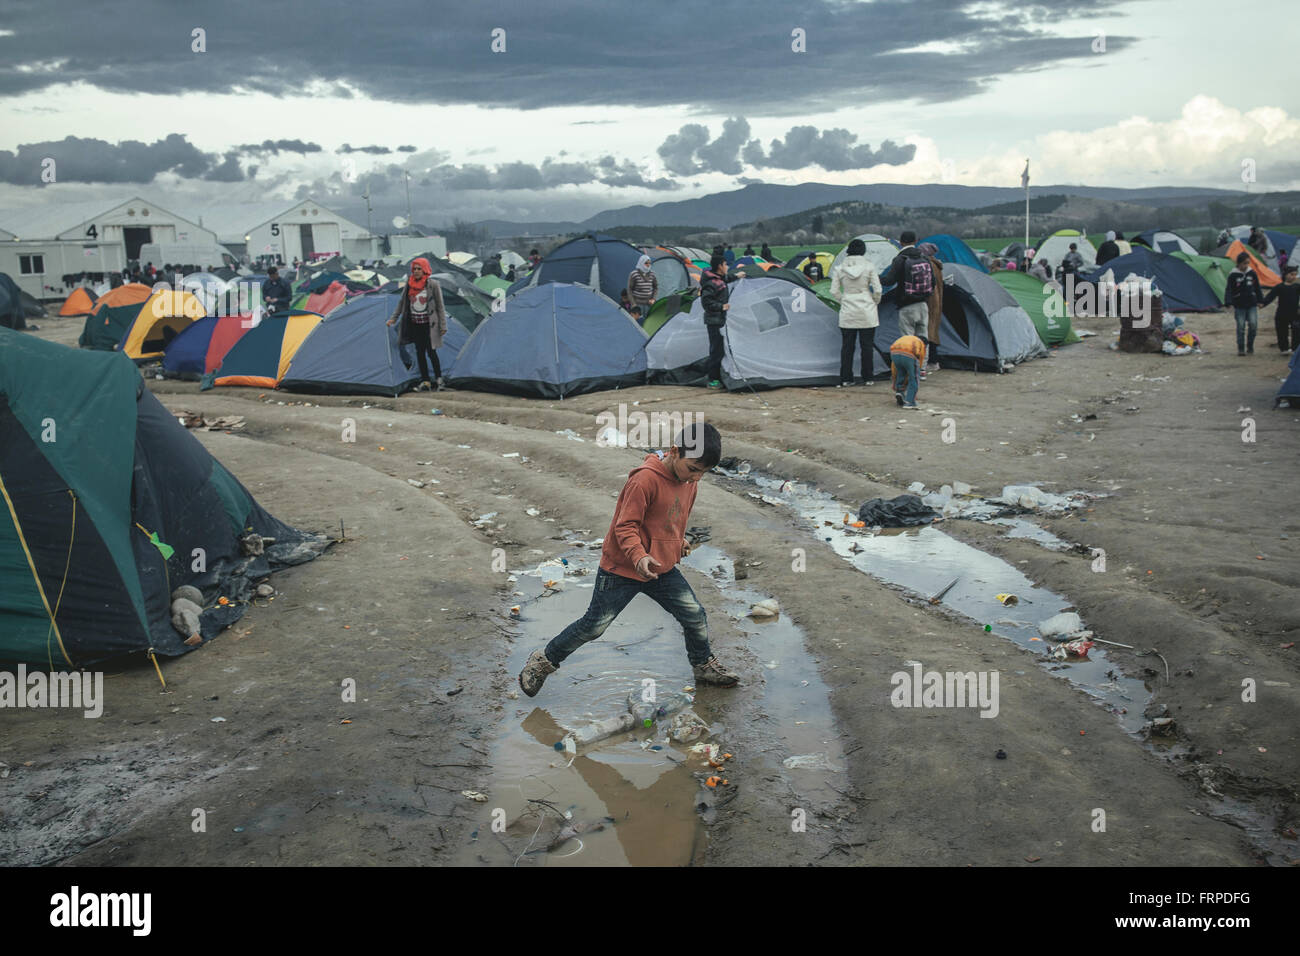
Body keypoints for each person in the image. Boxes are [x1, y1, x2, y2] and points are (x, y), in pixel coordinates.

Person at [517, 422, 739, 697]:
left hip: (660, 569)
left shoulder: (689, 483)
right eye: (693, 469)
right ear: (674, 451)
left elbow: (673, 517)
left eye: (704, 473)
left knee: (694, 615)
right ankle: (543, 661)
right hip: (621, 569)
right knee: (593, 626)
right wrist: (638, 556)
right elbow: (625, 526)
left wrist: (676, 541)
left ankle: (703, 665)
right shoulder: (644, 480)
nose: (696, 478)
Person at [387, 258, 448, 389]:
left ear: (425, 269)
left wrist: (443, 325)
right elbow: (401, 303)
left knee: (431, 352)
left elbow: (440, 306)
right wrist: (393, 318)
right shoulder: (409, 284)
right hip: (415, 324)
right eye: (414, 269)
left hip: (429, 325)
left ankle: (439, 379)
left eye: (419, 269)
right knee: (419, 352)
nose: (416, 271)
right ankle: (425, 380)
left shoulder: (433, 285)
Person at [829, 238, 882, 387]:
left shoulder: (839, 268)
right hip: (866, 308)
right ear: (863, 251)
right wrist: (874, 301)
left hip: (847, 309)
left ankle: (846, 378)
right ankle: (868, 377)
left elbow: (833, 291)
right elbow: (877, 290)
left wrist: (843, 300)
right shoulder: (869, 267)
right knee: (867, 346)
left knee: (847, 347)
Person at [880, 230, 934, 368]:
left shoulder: (900, 259)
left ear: (901, 242)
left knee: (908, 339)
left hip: (906, 305)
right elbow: (932, 282)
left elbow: (889, 281)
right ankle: (922, 368)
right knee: (923, 338)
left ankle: (911, 368)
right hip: (923, 304)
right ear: (915, 241)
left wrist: (876, 277)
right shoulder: (925, 258)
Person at [700, 255, 730, 389]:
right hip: (714, 320)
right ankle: (712, 379)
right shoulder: (711, 283)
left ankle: (717, 376)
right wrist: (721, 307)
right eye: (726, 264)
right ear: (720, 266)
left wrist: (738, 276)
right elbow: (706, 301)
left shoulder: (719, 280)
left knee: (719, 349)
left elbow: (726, 280)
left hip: (719, 319)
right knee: (716, 351)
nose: (727, 267)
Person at [1226, 251, 1264, 355]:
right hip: (1239, 304)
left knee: (1253, 324)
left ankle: (1250, 345)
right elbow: (1229, 289)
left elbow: (1257, 288)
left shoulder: (1252, 273)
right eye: (1244, 263)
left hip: (1251, 303)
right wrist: (1228, 302)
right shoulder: (1233, 275)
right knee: (1241, 326)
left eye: (1248, 263)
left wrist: (1260, 300)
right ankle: (1241, 348)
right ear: (1238, 263)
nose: (1246, 266)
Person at [916, 242, 944, 375]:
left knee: (928, 332)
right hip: (937, 302)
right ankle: (933, 361)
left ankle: (931, 361)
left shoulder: (929, 265)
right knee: (933, 331)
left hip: (930, 301)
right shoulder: (937, 265)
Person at [1262, 266, 1299, 354]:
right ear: (1285, 275)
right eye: (1291, 274)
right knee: (1282, 331)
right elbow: (1270, 297)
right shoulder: (1279, 287)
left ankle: (1295, 348)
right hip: (1282, 313)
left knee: (1297, 331)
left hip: (1295, 313)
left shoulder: (1297, 287)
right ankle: (1284, 348)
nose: (1293, 277)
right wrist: (1262, 303)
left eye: (1295, 275)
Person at [890, 334, 925, 409]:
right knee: (914, 378)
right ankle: (909, 402)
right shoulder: (921, 343)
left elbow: (894, 368)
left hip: (894, 353)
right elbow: (920, 361)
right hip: (909, 354)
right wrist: (919, 371)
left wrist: (894, 383)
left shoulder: (906, 338)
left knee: (900, 372)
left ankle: (900, 392)